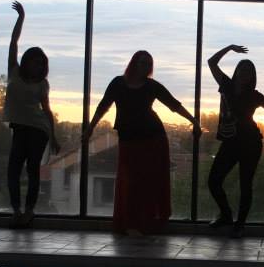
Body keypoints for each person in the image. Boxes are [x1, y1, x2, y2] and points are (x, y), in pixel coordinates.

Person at [85, 50, 200, 235]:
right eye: (142, 63)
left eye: (148, 64)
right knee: (130, 181)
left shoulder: (151, 86)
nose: (146, 67)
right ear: (134, 64)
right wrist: (90, 128)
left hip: (153, 139)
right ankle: (131, 223)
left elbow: (173, 104)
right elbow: (103, 106)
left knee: (147, 181)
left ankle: (144, 222)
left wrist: (194, 121)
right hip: (129, 139)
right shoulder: (118, 83)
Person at [206, 45, 264, 239]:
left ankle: (239, 225)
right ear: (237, 71)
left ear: (252, 77)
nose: (244, 74)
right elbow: (211, 62)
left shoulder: (254, 95)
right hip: (231, 142)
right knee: (214, 181)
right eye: (242, 70)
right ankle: (226, 215)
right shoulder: (226, 85)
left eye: (249, 72)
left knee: (245, 184)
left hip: (250, 142)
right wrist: (230, 48)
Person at [3, 1, 60, 227]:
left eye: (40, 64)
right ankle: (17, 210)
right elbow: (13, 43)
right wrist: (21, 18)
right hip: (20, 128)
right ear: (26, 62)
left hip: (38, 130)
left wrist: (53, 136)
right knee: (14, 170)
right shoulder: (14, 72)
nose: (37, 67)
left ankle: (28, 211)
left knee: (31, 169)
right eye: (34, 63)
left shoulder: (42, 84)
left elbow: (47, 111)